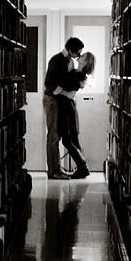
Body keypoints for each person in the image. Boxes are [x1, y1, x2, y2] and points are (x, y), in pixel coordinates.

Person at [43, 37, 84, 179]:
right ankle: (54, 171)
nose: (78, 56)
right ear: (70, 50)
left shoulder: (68, 61)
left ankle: (56, 169)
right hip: (52, 100)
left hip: (58, 100)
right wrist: (66, 92)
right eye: (78, 53)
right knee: (53, 136)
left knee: (57, 135)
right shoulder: (56, 60)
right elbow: (49, 84)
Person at [54, 51, 95, 179]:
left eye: (82, 56)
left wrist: (59, 90)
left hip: (66, 107)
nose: (79, 56)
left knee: (67, 140)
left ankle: (83, 167)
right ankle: (83, 167)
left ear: (86, 62)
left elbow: (60, 88)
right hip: (68, 106)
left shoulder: (78, 75)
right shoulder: (77, 74)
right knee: (73, 140)